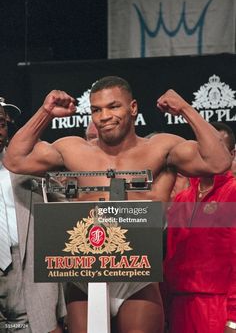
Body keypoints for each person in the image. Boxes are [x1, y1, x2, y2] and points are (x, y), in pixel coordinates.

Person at [3, 76, 231, 333]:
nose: (104, 116)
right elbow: (16, 159)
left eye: (113, 107)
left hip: (137, 278)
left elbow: (218, 162)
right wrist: (45, 112)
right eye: (96, 109)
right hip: (84, 277)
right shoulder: (74, 150)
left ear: (132, 108)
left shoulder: (161, 148)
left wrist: (187, 110)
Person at [0, 100, 66, 332]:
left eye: (1, 123)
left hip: (28, 261)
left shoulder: (29, 165)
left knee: (44, 326)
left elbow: (66, 208)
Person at [163, 122, 236, 333]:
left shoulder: (233, 193)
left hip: (218, 307)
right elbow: (170, 259)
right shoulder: (181, 199)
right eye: (204, 148)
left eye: (218, 148)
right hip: (179, 306)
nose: (210, 154)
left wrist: (233, 318)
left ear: (231, 154)